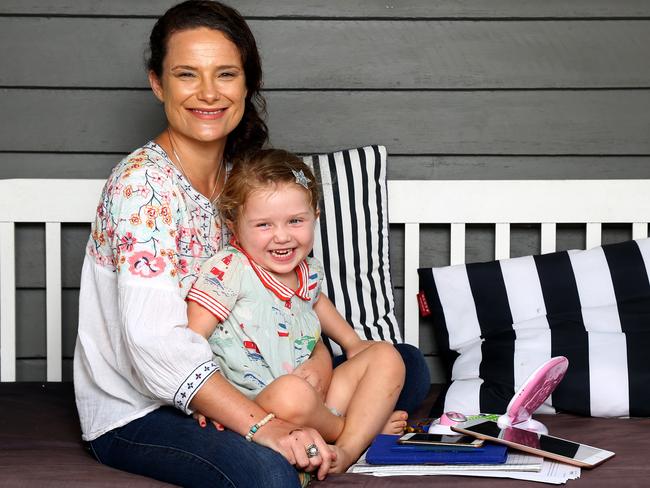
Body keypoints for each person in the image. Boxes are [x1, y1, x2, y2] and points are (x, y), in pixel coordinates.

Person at [73, 1, 429, 487]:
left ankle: (325, 432)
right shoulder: (142, 189)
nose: (207, 93)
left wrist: (319, 362)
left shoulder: (240, 180)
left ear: (246, 84)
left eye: (225, 74)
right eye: (186, 74)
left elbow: (291, 297)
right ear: (158, 83)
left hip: (255, 370)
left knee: (405, 363)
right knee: (268, 474)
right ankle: (345, 435)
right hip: (145, 406)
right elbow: (155, 347)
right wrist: (259, 423)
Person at [186, 149, 406, 472]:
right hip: (259, 406)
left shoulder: (308, 269)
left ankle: (344, 451)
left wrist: (352, 343)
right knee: (292, 394)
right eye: (263, 225)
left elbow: (317, 301)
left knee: (388, 357)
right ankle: (356, 432)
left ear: (315, 215)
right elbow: (192, 337)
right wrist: (200, 398)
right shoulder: (231, 269)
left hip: (318, 397)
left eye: (295, 221)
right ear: (234, 226)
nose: (282, 236)